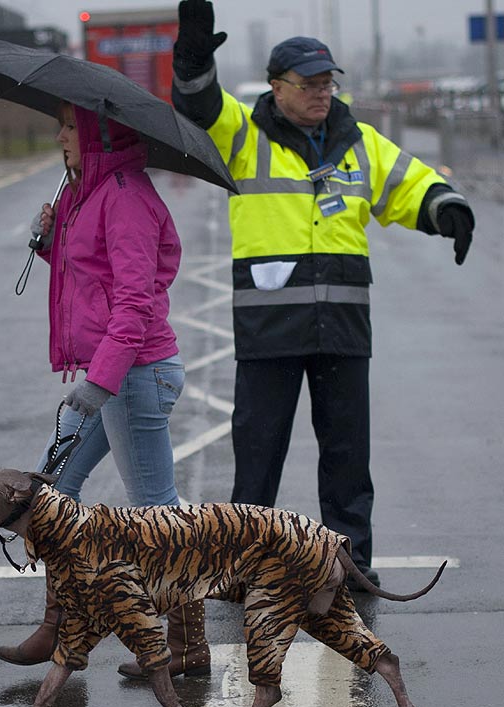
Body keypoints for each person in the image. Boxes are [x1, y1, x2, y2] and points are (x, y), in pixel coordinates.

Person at [170, 1, 475, 591]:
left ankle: (349, 564)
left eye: (327, 82)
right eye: (308, 83)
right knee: (258, 458)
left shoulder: (357, 140)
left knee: (347, 460)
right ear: (276, 86)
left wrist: (446, 207)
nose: (321, 93)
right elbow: (199, 107)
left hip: (343, 326)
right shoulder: (244, 134)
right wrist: (192, 62)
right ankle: (241, 567)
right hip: (269, 328)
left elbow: (408, 183)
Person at [0, 101, 211, 678]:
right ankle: (60, 629)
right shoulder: (84, 192)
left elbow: (134, 302)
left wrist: (100, 382)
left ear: (98, 132)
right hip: (112, 372)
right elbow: (91, 278)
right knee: (52, 492)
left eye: (70, 126)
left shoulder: (125, 196)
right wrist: (47, 241)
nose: (60, 136)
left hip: (133, 374)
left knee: (156, 512)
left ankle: (187, 646)